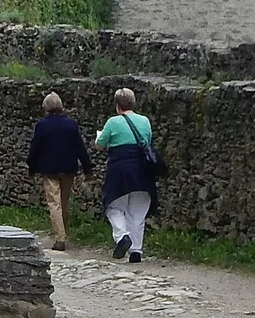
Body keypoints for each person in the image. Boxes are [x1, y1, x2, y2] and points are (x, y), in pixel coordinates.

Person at [96, 87, 158, 262]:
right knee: (138, 211)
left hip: (119, 171)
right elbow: (147, 140)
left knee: (113, 206)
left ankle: (122, 237)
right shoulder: (144, 121)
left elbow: (100, 144)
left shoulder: (113, 122)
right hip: (142, 171)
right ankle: (136, 251)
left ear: (117, 106)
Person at [26, 92, 92, 251]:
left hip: (49, 170)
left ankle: (60, 238)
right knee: (63, 202)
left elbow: (35, 148)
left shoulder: (42, 125)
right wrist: (87, 167)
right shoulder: (71, 124)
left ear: (46, 108)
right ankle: (63, 233)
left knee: (54, 203)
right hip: (68, 169)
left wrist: (31, 166)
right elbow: (80, 147)